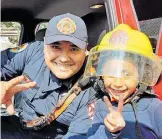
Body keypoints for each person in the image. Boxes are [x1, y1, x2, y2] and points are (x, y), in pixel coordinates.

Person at [1, 13, 96, 139]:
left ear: (85, 49)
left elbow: (79, 135)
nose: (64, 58)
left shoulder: (92, 83)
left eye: (74, 49)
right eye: (56, 47)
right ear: (44, 44)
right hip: (20, 128)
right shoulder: (33, 51)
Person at [82, 24, 162, 138]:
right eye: (110, 73)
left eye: (127, 74)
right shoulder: (100, 105)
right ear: (101, 75)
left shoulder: (154, 108)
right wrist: (110, 132)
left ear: (141, 76)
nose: (117, 83)